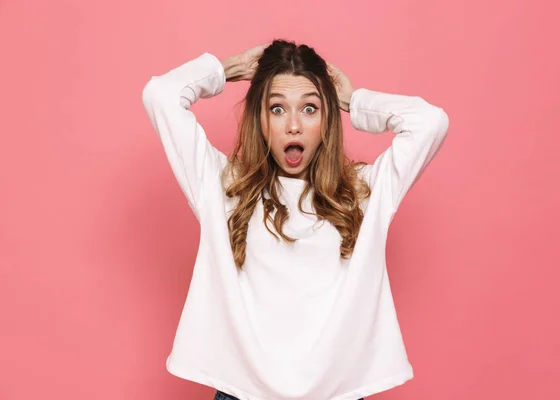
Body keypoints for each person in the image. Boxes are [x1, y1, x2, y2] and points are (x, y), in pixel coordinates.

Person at [142, 39, 449, 400]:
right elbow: (161, 95)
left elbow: (431, 122)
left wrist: (354, 100)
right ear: (259, 118)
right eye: (276, 109)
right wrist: (229, 68)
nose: (293, 126)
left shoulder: (365, 193)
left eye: (309, 109)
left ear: (327, 119)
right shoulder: (223, 187)